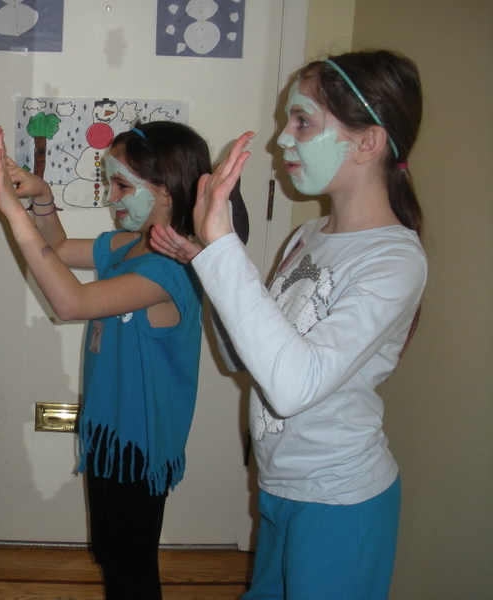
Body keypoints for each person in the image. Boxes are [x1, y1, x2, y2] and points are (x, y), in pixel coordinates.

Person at [151, 50, 427, 599]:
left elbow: (292, 386)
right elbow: (243, 357)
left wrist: (223, 248)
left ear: (368, 142)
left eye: (302, 121)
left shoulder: (394, 260)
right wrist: (206, 266)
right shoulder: (308, 236)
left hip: (340, 501)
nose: (282, 139)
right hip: (280, 485)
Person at [0, 121, 244, 599]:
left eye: (123, 186)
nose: (111, 197)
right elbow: (60, 250)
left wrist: (12, 214)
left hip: (139, 444)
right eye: (111, 184)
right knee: (112, 555)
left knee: (132, 566)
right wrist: (42, 197)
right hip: (109, 433)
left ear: (166, 191)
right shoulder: (133, 244)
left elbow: (71, 303)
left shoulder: (170, 270)